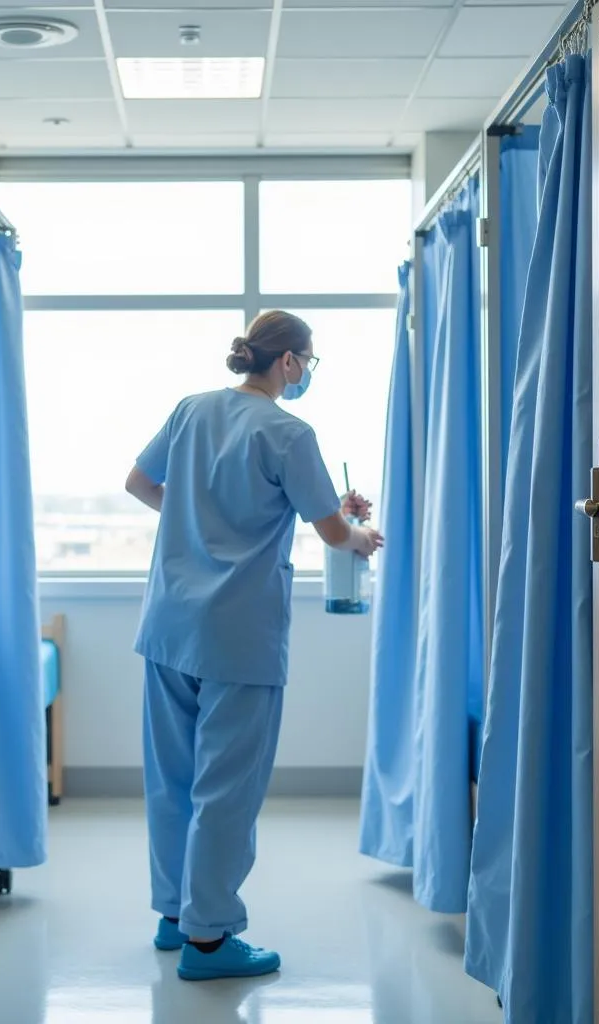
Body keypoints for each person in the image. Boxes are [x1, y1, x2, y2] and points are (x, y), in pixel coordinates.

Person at [125, 310, 383, 983]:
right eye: (310, 363)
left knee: (172, 781)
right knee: (226, 792)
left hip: (168, 624)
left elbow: (140, 484)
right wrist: (358, 535)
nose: (307, 375)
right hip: (237, 635)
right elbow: (332, 534)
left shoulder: (190, 409)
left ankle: (176, 915)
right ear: (290, 362)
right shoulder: (288, 432)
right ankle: (209, 942)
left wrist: (196, 517)